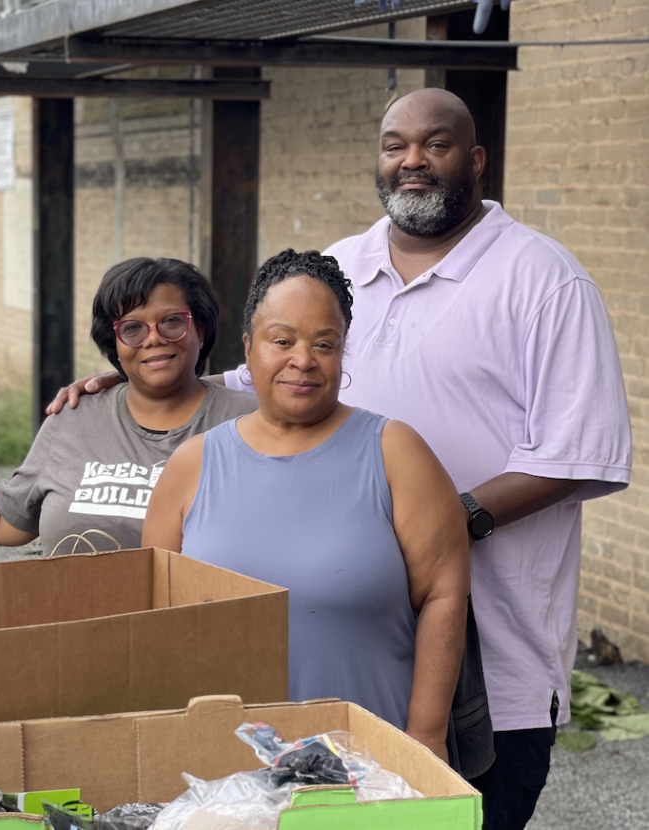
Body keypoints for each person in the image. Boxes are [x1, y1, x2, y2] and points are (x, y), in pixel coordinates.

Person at [52, 89, 633, 829]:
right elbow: (259, 377)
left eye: (436, 144)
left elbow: (580, 452)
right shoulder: (339, 266)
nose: (412, 160)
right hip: (326, 655)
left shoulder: (543, 279)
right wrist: (139, 378)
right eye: (395, 146)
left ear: (477, 159)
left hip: (493, 659)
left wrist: (443, 520)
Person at [142, 249, 470, 763]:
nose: (303, 359)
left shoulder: (394, 452)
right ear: (248, 348)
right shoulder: (193, 464)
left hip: (369, 768)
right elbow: (156, 625)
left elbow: (444, 593)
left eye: (324, 344)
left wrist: (426, 737)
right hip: (224, 773)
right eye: (282, 340)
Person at [0, 257, 257, 555]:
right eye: (132, 328)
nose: (153, 338)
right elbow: (2, 521)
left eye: (172, 321)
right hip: (69, 637)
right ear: (113, 344)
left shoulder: (249, 423)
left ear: (201, 328)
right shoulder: (76, 418)